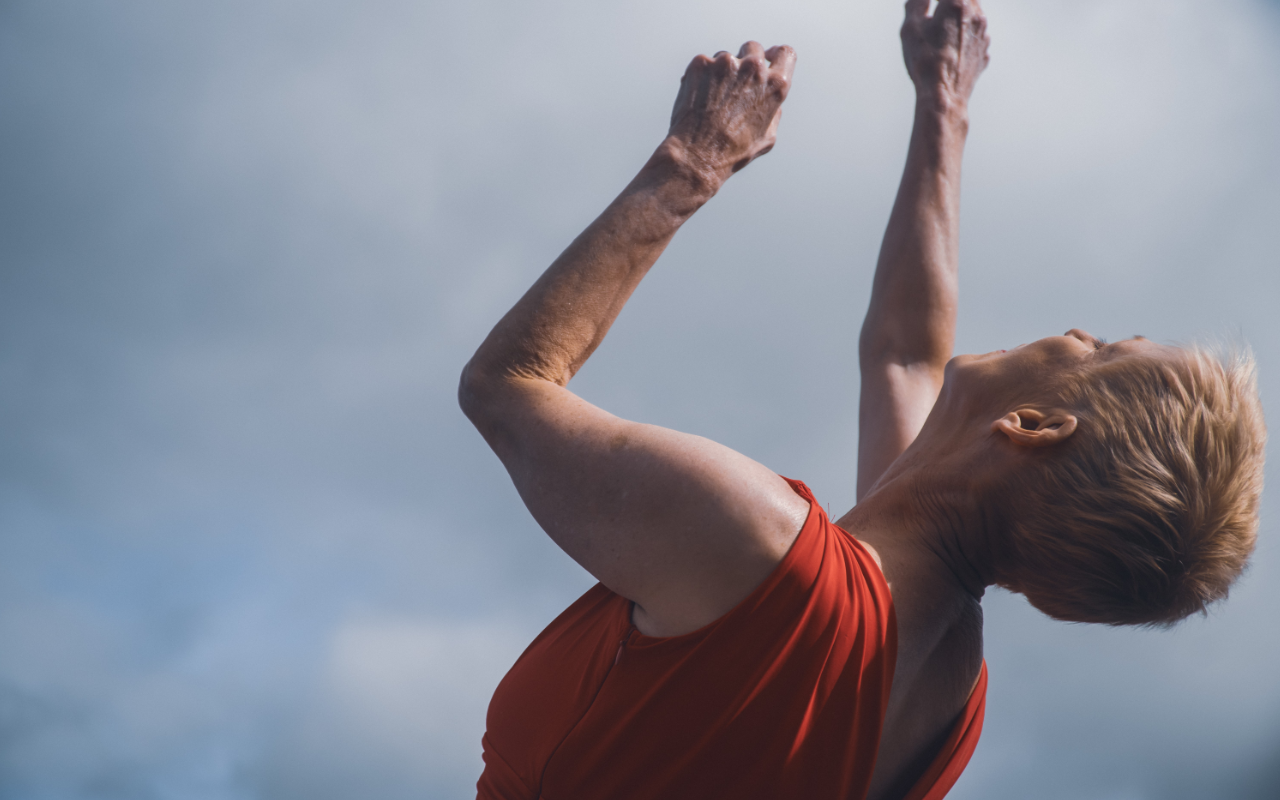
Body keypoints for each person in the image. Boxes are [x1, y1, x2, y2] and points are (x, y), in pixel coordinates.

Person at [458, 1, 1266, 798]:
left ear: (1032, 426)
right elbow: (904, 356)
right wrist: (942, 109)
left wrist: (694, 163)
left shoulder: (759, 549)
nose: (1077, 330)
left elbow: (507, 389)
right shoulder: (947, 691)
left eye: (1097, 349)